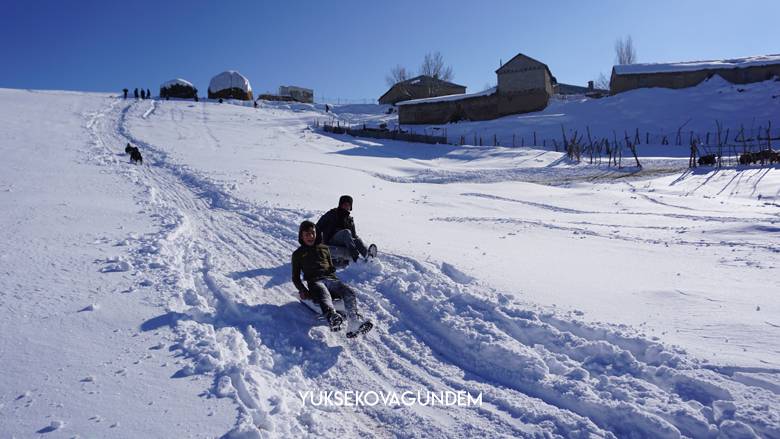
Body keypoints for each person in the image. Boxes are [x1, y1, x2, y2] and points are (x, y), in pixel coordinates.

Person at [291, 221, 372, 335]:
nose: (310, 236)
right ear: (301, 236)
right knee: (324, 294)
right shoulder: (298, 254)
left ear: (316, 233)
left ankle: (354, 322)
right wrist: (303, 290)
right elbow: (295, 277)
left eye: (312, 233)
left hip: (331, 279)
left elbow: (330, 267)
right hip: (315, 281)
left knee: (349, 292)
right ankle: (332, 317)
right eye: (306, 234)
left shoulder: (324, 248)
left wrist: (337, 281)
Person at [316, 195, 372, 262]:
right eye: (345, 204)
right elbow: (317, 227)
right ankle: (355, 257)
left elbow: (353, 236)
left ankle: (368, 257)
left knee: (357, 240)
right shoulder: (331, 214)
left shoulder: (350, 220)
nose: (347, 206)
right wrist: (318, 242)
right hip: (331, 241)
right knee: (346, 232)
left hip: (344, 243)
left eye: (349, 205)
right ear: (340, 205)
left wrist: (359, 242)